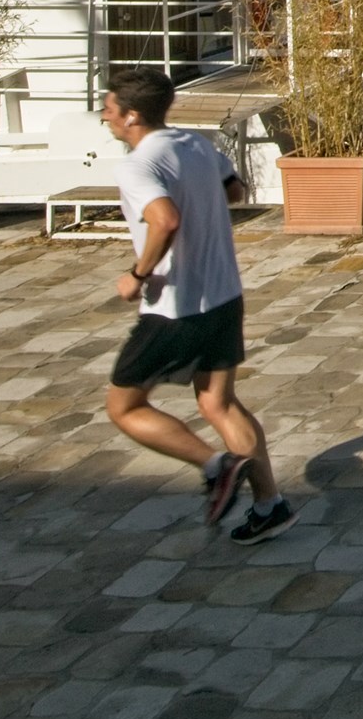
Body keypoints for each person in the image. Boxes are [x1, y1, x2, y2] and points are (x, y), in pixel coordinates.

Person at [96, 66, 295, 543]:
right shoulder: (197, 144)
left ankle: (215, 465)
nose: (104, 118)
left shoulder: (137, 164)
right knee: (218, 403)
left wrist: (137, 274)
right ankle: (270, 506)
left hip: (174, 307)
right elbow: (233, 190)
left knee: (124, 406)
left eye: (108, 110)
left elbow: (163, 219)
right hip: (224, 295)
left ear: (132, 116)